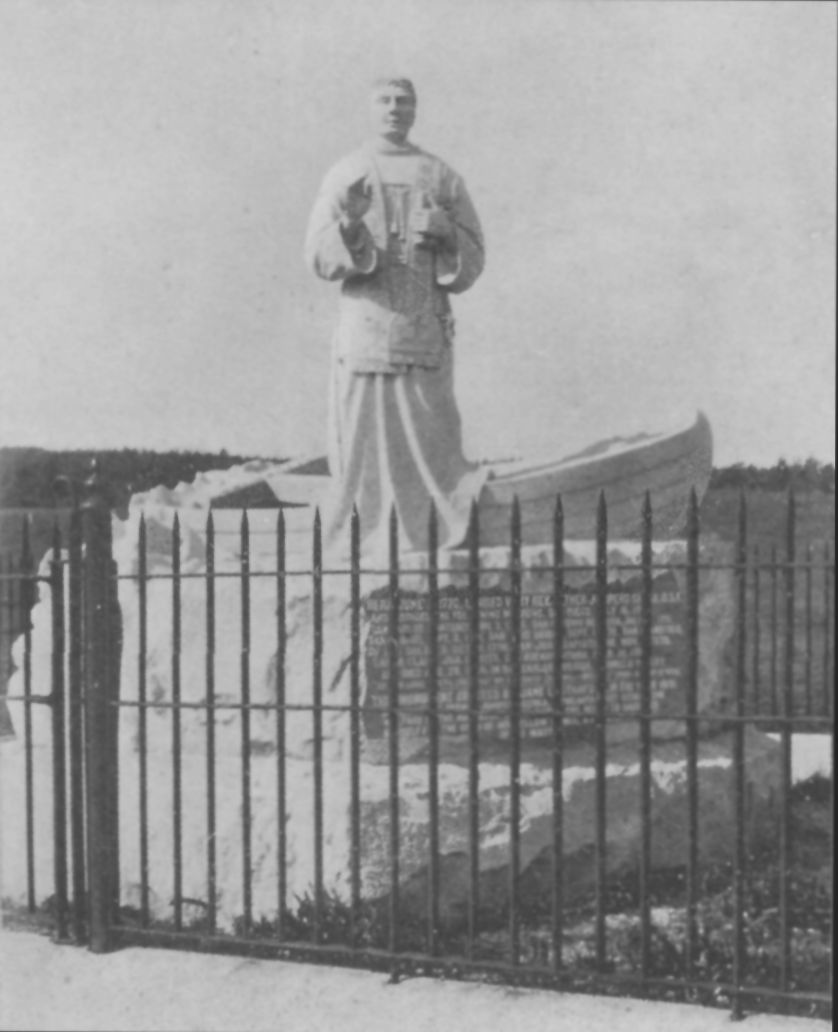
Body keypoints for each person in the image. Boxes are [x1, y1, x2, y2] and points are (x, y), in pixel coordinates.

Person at [304, 77, 486, 554]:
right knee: (361, 444)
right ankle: (361, 540)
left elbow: (474, 258)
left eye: (403, 101)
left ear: (415, 109)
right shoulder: (347, 172)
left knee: (432, 437)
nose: (394, 109)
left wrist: (447, 234)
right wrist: (350, 225)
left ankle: (432, 534)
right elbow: (317, 255)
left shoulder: (441, 176)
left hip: (423, 333)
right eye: (384, 100)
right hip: (365, 332)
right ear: (370, 108)